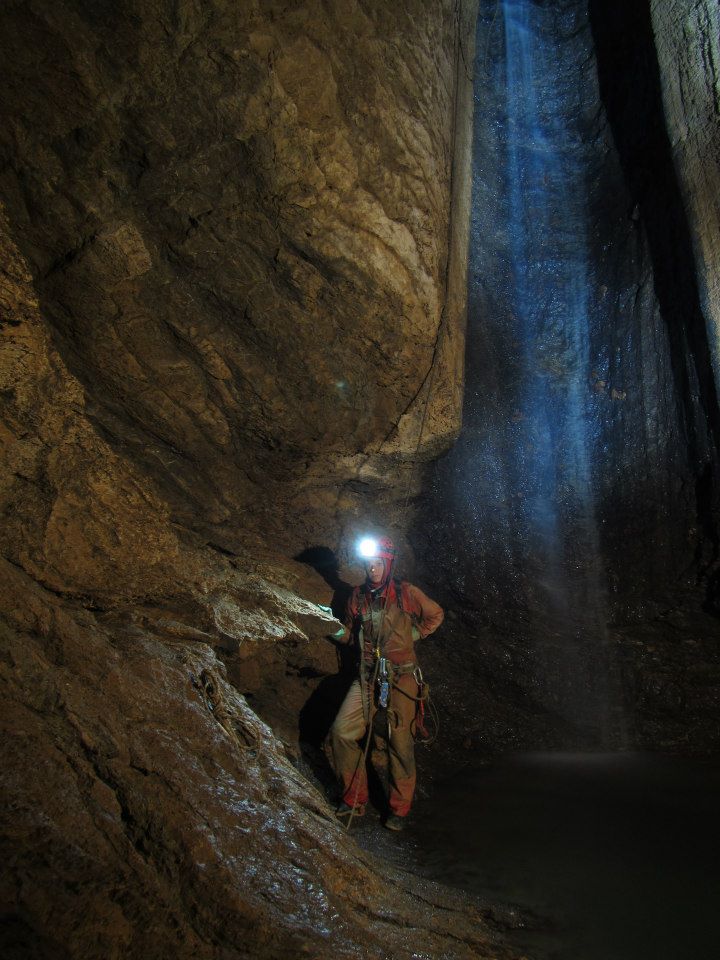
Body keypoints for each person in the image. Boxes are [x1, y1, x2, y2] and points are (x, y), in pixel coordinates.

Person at [328, 536, 443, 830]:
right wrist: (332, 630)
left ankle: (399, 809)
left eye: (378, 563)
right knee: (342, 732)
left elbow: (435, 615)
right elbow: (353, 637)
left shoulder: (406, 593)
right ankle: (354, 799)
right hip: (367, 676)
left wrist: (413, 636)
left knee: (400, 743)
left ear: (388, 563)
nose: (372, 569)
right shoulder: (358, 597)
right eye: (368, 564)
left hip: (401, 676)